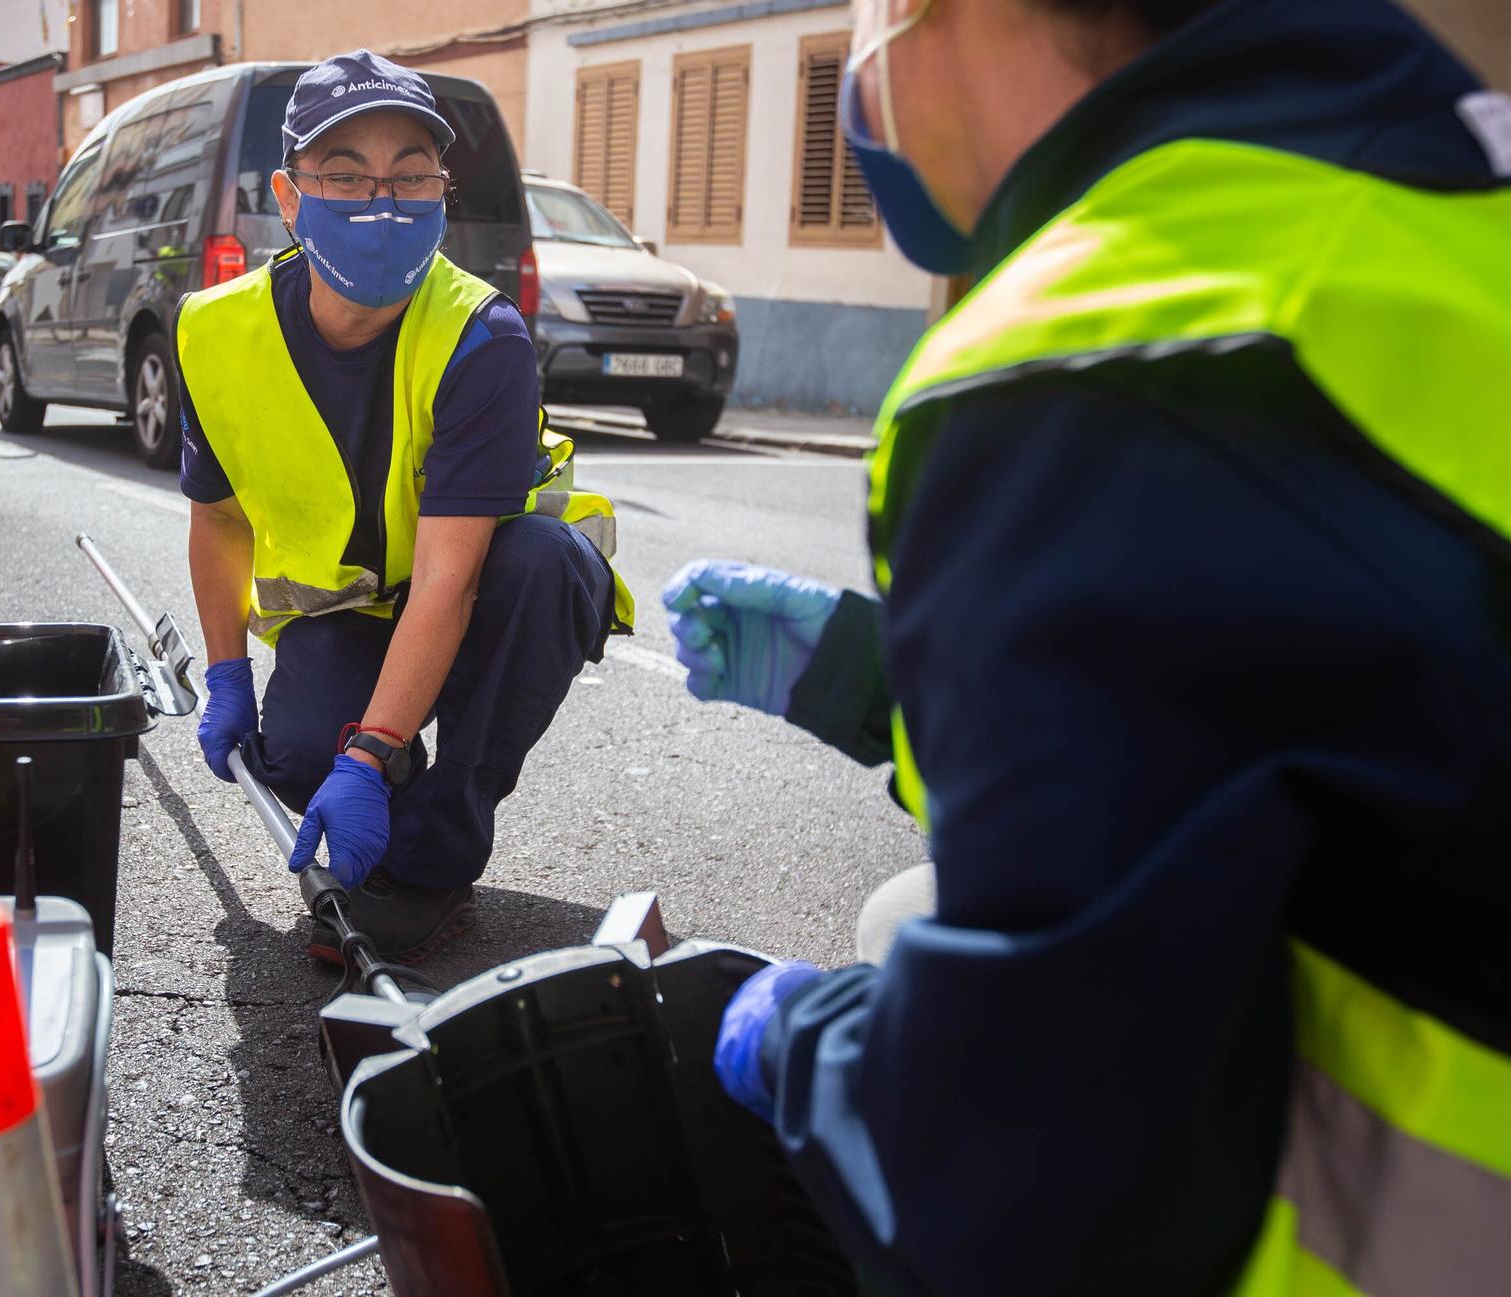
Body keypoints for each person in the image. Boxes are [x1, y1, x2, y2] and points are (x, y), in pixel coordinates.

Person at [667, 0, 1511, 1291]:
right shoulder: (1433, 216)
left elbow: (1020, 1193)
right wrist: (867, 675)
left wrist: (804, 1042)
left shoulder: (1111, 344)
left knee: (898, 947)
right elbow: (1332, 693)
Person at [177, 51, 633, 963]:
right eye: (344, 175)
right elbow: (220, 516)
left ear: (441, 190)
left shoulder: (481, 336)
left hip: (484, 593)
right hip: (350, 606)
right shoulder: (214, 331)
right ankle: (381, 776)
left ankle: (433, 857)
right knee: (298, 757)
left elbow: (451, 582)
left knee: (543, 563)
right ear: (290, 195)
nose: (379, 201)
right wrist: (228, 675)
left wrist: (369, 754)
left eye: (410, 175)